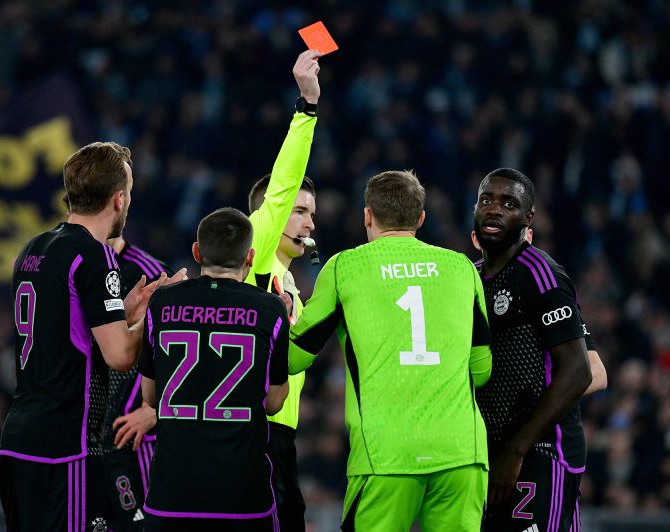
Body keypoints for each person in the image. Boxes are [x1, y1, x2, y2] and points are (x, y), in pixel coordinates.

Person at [289, 170, 492, 531]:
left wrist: (289, 311)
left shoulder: (343, 267)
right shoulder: (463, 268)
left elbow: (293, 359)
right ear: (421, 219)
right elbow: (481, 371)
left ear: (367, 216)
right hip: (462, 452)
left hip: (385, 454)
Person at [0, 142, 183, 531]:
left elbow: (68, 327)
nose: (129, 201)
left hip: (17, 443)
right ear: (118, 199)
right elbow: (120, 357)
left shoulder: (33, 249)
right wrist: (154, 311)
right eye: (129, 192)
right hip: (65, 448)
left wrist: (125, 310)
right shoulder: (95, 255)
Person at [139, 207, 290, 531]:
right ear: (249, 257)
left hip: (172, 496)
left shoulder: (162, 304)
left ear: (197, 251)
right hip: (243, 498)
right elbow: (274, 402)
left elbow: (150, 396)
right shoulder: (270, 308)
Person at [471, 168, 593, 531]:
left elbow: (579, 371)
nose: (494, 209)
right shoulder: (471, 278)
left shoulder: (540, 273)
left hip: (541, 453)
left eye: (508, 203)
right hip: (488, 455)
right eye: (486, 200)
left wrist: (516, 450)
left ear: (528, 219)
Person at [245, 49, 321, 531]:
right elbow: (282, 185)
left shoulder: (289, 280)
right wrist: (307, 107)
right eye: (300, 211)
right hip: (257, 434)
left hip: (280, 435)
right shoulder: (257, 255)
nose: (309, 221)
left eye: (312, 213)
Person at [471, 229, 608, 395]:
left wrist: (540, 403)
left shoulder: (549, 289)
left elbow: (597, 373)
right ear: (477, 240)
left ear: (529, 237)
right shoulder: (472, 284)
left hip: (551, 418)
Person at [100, 235, 173, 529]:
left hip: (137, 441)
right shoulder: (77, 265)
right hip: (92, 440)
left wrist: (155, 408)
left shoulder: (149, 271)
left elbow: (179, 347)